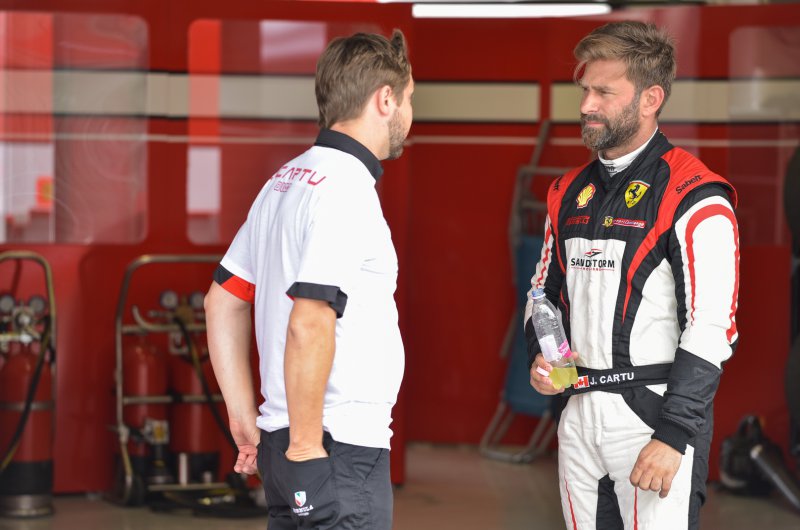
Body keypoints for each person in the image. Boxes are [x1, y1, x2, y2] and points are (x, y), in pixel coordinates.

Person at [526, 21, 739, 530]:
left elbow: (712, 328)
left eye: (604, 92)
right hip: (578, 418)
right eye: (585, 90)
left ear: (650, 99)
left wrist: (673, 435)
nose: (586, 105)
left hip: (653, 422)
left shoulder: (696, 195)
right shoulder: (567, 192)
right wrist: (547, 357)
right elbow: (543, 293)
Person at [204, 30, 412, 530]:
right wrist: (305, 443)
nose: (409, 114)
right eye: (409, 99)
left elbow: (223, 299)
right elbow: (310, 321)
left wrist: (244, 419)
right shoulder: (346, 190)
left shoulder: (285, 181)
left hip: (284, 442)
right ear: (385, 99)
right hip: (335, 447)